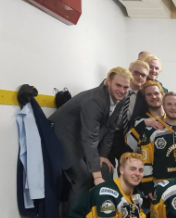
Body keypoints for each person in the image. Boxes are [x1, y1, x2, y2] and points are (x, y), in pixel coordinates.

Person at [50, 67, 132, 210]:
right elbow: (90, 138)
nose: (122, 90)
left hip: (81, 136)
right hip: (62, 135)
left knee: (105, 167)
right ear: (108, 82)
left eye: (126, 87)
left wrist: (103, 156)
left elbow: (110, 127)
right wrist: (96, 176)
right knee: (82, 178)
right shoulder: (94, 101)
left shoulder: (122, 97)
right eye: (118, 85)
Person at [110, 60, 151, 163]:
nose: (140, 77)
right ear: (129, 72)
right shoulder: (115, 89)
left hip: (127, 140)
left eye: (143, 75)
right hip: (106, 135)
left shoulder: (145, 98)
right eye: (136, 73)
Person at [126, 81, 165, 154]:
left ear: (162, 95)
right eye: (149, 94)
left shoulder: (175, 116)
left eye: (156, 93)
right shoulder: (139, 121)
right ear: (144, 98)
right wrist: (142, 124)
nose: (153, 97)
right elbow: (129, 145)